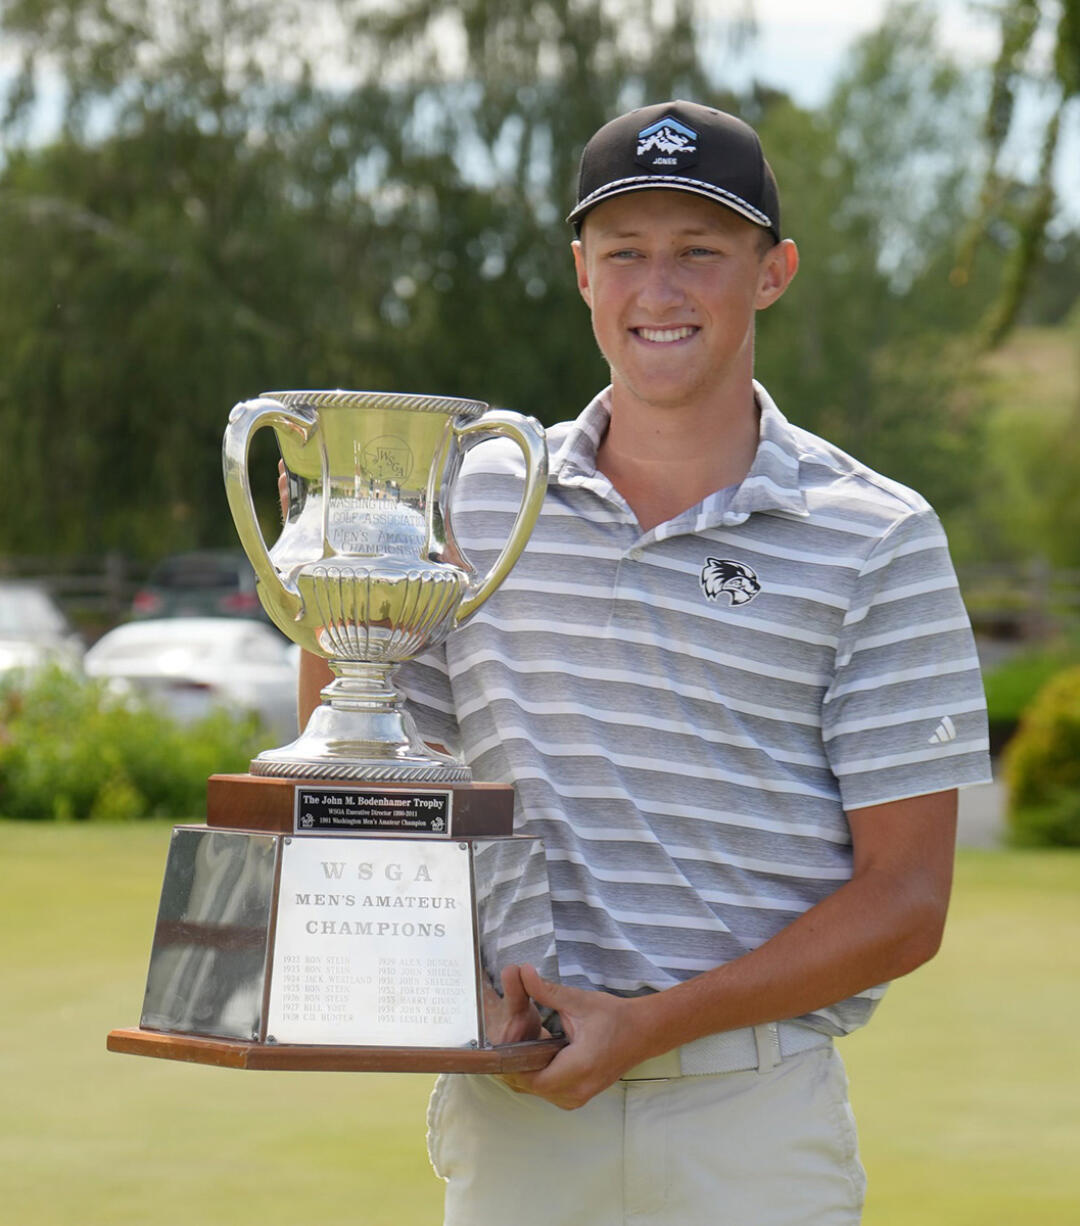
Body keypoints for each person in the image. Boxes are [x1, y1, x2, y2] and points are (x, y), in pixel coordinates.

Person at [301, 99, 992, 1225]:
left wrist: (654, 1022)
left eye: (698, 253)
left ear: (771, 273)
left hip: (748, 1120)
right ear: (582, 273)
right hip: (517, 1113)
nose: (656, 290)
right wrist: (447, 988)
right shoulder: (472, 498)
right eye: (624, 253)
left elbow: (906, 899)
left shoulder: (876, 534)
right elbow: (372, 751)